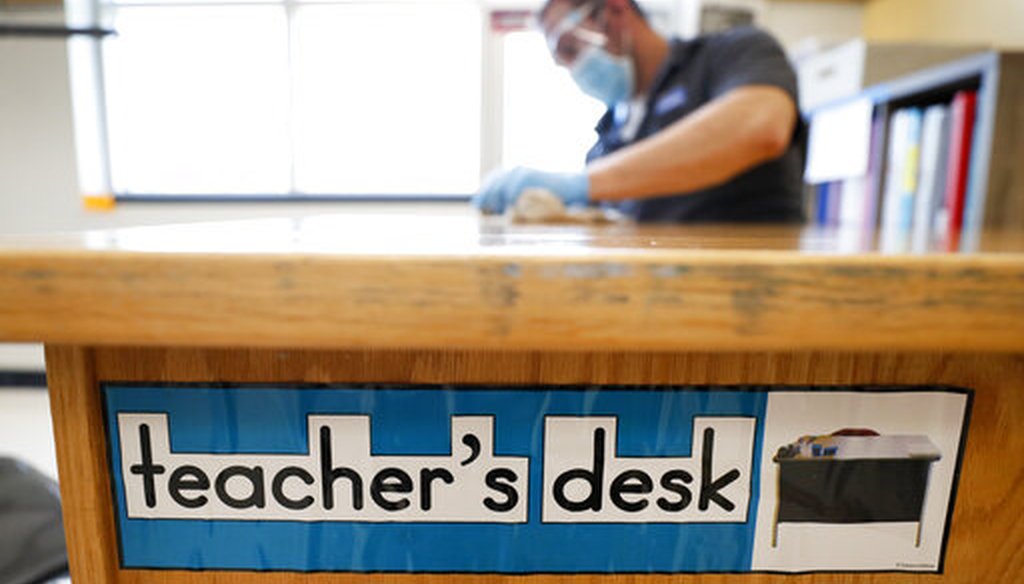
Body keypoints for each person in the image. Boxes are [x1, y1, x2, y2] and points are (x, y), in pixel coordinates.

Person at [474, 0, 806, 223]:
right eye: (563, 62)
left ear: (614, 11)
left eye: (571, 48)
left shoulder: (732, 53)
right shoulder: (608, 137)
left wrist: (582, 184)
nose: (573, 70)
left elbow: (761, 126)